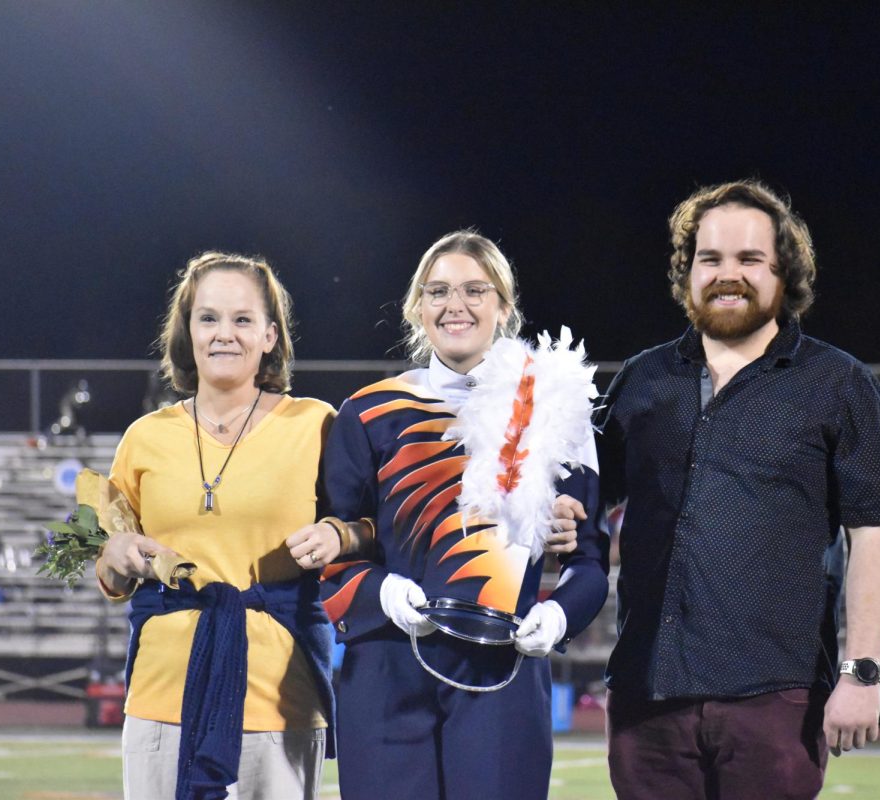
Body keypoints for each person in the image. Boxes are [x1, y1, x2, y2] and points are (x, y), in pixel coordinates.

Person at [597, 180, 880, 799]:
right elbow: (583, 500)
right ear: (688, 271)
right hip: (646, 694)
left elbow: (873, 534)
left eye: (749, 260)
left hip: (775, 694)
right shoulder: (641, 376)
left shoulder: (838, 382)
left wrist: (863, 673)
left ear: (782, 271)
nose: (727, 274)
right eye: (710, 259)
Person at [316, 230, 609, 799]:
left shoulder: (555, 406)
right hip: (385, 669)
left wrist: (556, 618)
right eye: (439, 291)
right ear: (417, 308)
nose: (457, 305)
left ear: (503, 305)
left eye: (476, 290)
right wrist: (384, 593)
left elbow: (589, 562)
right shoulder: (370, 411)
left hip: (503, 668)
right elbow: (334, 553)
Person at [95, 251, 352, 800]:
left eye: (242, 320)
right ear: (187, 332)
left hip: (281, 698)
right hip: (164, 695)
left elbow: (367, 531)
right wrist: (114, 560)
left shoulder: (317, 425)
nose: (224, 334)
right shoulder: (144, 437)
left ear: (270, 335)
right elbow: (115, 576)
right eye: (208, 318)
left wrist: (339, 534)